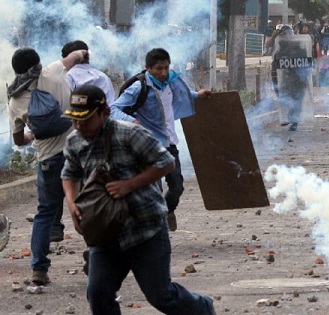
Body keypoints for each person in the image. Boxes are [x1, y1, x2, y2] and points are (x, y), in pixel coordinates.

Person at [61, 84, 216, 315]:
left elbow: (166, 162)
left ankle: (202, 308)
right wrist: (72, 205)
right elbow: (69, 174)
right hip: (105, 234)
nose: (78, 125)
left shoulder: (130, 133)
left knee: (161, 296)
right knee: (98, 294)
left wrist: (129, 185)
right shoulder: (74, 141)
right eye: (75, 120)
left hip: (145, 229)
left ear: (104, 113)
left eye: (85, 119)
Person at [7, 47, 86, 285]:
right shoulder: (53, 71)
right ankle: (97, 256)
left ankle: (39, 269)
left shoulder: (17, 100)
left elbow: (19, 140)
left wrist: (32, 135)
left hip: (49, 159)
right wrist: (83, 53)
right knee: (89, 205)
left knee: (45, 214)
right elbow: (76, 56)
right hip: (78, 150)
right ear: (38, 63)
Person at [110, 48, 211, 232]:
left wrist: (198, 95)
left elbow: (182, 93)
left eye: (165, 67)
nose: (163, 73)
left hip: (169, 143)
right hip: (148, 146)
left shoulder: (171, 82)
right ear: (148, 68)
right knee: (154, 190)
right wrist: (132, 121)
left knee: (177, 187)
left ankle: (166, 211)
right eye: (158, 69)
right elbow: (113, 109)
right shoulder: (138, 87)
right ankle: (156, 229)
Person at [62, 40, 116, 105]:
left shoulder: (67, 76)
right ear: (88, 56)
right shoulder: (103, 77)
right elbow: (111, 105)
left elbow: (64, 104)